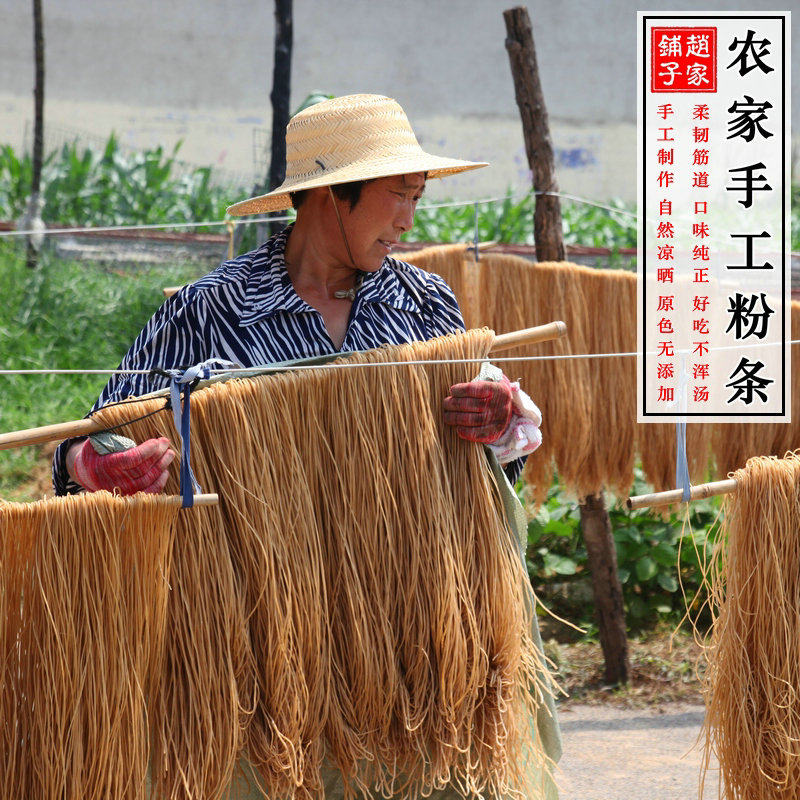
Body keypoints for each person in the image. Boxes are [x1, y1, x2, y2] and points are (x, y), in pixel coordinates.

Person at [52, 93, 541, 499]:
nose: (408, 220)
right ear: (331, 191)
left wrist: (496, 428)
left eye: (417, 198)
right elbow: (91, 438)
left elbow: (490, 478)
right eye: (398, 194)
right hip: (262, 596)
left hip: (407, 595)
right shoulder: (212, 310)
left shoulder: (425, 305)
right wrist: (91, 463)